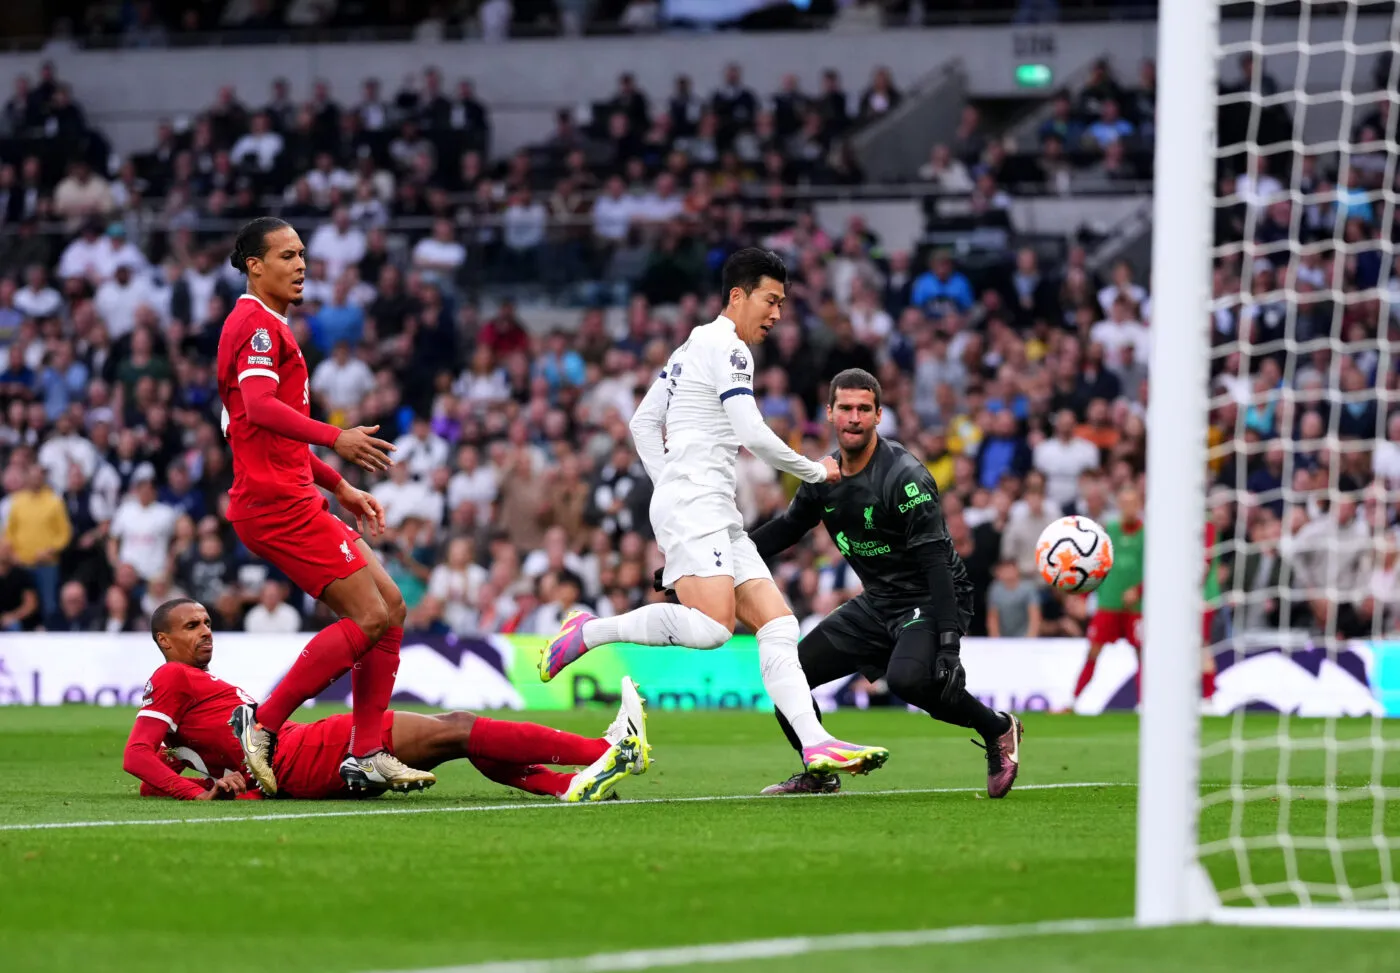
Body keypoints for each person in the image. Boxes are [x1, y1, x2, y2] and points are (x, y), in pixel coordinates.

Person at [539, 249, 888, 778]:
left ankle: (816, 743)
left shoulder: (691, 346)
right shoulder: (729, 349)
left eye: (782, 304)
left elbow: (641, 423)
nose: (776, 314)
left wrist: (670, 483)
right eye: (770, 301)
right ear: (738, 296)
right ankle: (589, 632)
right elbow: (749, 433)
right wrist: (815, 471)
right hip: (696, 502)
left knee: (778, 623)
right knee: (714, 628)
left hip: (707, 504)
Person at [709, 369, 1023, 798]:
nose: (854, 417)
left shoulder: (904, 476)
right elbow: (786, 529)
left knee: (909, 681)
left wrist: (948, 645)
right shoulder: (823, 476)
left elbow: (935, 562)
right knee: (789, 676)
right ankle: (819, 771)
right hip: (879, 602)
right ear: (830, 414)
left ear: (878, 416)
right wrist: (710, 563)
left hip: (931, 597)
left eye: (863, 409)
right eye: (845, 408)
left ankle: (998, 728)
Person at [216, 216, 429, 796]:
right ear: (255, 266)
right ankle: (260, 723)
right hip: (275, 504)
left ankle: (366, 752)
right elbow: (259, 409)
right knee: (369, 617)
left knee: (391, 606)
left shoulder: (271, 327)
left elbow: (269, 434)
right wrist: (336, 436)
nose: (301, 263)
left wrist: (340, 486)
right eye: (286, 255)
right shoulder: (257, 328)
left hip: (294, 494)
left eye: (303, 253)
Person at [123, 599, 649, 803]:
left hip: (304, 750)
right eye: (191, 627)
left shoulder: (196, 686)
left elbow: (161, 772)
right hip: (303, 754)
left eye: (208, 623)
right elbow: (138, 758)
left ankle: (570, 785)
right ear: (164, 640)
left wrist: (212, 781)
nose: (206, 632)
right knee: (457, 728)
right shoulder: (171, 675)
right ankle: (602, 751)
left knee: (455, 739)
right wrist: (199, 793)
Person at [1072, 484, 1145, 703]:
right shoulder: (1108, 531)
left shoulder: (1148, 535)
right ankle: (1074, 700)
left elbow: (1157, 569)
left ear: (1139, 505)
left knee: (1142, 655)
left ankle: (1144, 704)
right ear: (1119, 505)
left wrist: (1138, 589)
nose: (1128, 507)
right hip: (1109, 603)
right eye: (1124, 503)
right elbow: (1095, 566)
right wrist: (1083, 596)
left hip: (1137, 607)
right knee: (1093, 651)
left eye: (1133, 503)